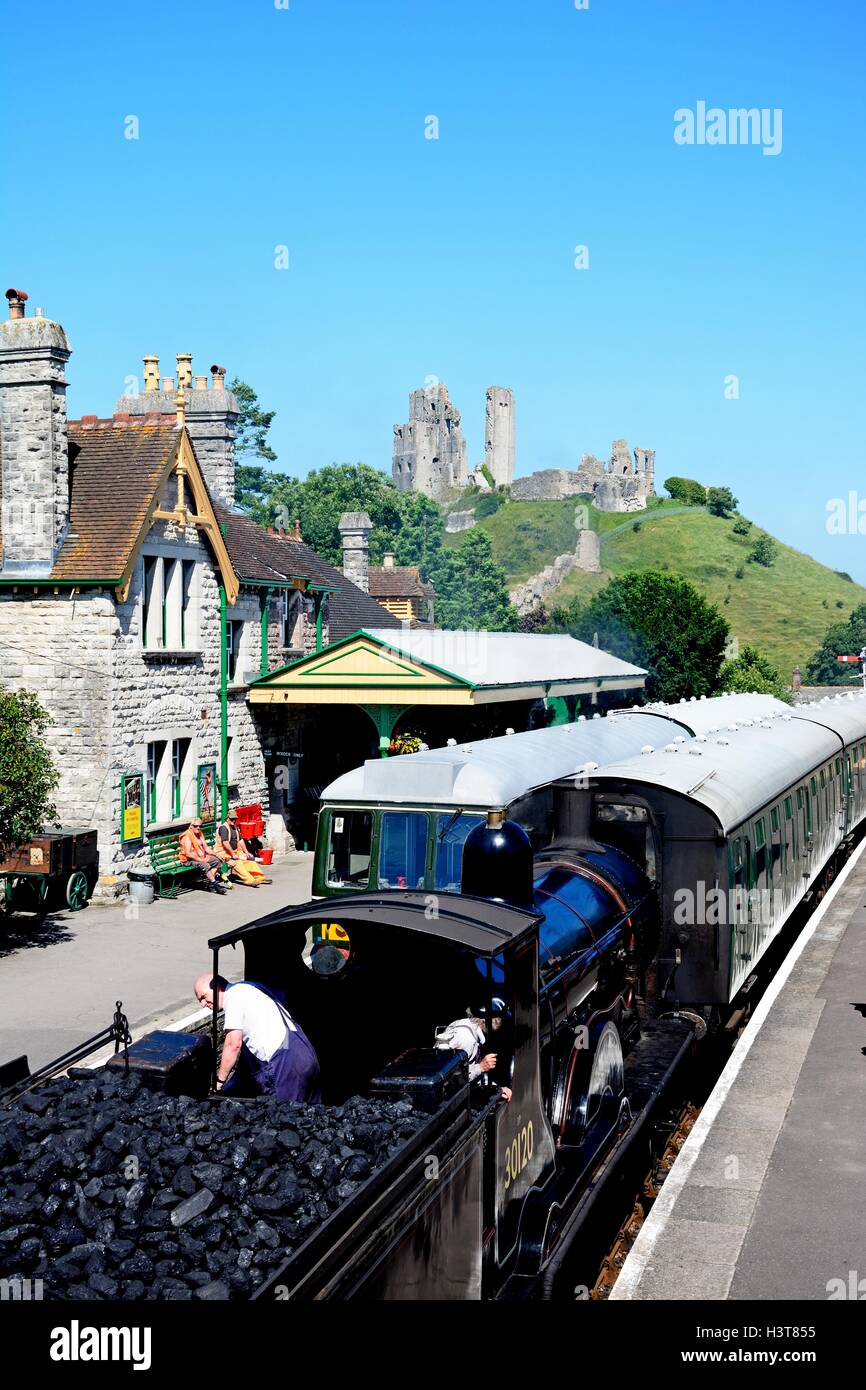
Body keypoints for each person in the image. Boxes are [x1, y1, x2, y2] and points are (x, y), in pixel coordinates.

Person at [194, 973, 321, 1102]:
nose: (203, 1004)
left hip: (285, 1065)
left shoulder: (233, 996)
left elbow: (233, 1044)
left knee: (286, 1115)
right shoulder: (251, 989)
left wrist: (219, 1081)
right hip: (304, 1054)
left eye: (203, 997)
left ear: (217, 987)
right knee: (313, 1116)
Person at [435, 996, 512, 1102]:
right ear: (494, 1021)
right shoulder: (466, 1039)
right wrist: (480, 1067)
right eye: (502, 1020)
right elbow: (448, 1081)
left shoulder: (470, 1030)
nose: (502, 1025)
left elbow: (468, 1075)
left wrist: (497, 1090)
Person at [216, 808, 272, 887]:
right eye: (231, 819)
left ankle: (259, 877)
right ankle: (249, 880)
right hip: (223, 853)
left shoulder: (234, 827)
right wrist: (232, 854)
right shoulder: (223, 828)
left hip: (235, 851)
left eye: (234, 819)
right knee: (236, 863)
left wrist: (246, 852)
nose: (233, 821)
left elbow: (241, 840)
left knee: (249, 859)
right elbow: (225, 842)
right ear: (227, 818)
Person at [179, 818, 229, 893]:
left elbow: (206, 848)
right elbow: (188, 854)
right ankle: (215, 885)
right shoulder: (187, 836)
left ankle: (211, 884)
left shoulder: (200, 833)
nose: (198, 828)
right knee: (205, 865)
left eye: (200, 826)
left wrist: (216, 854)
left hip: (201, 856)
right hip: (189, 860)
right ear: (191, 826)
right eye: (196, 826)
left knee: (217, 861)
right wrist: (201, 860)